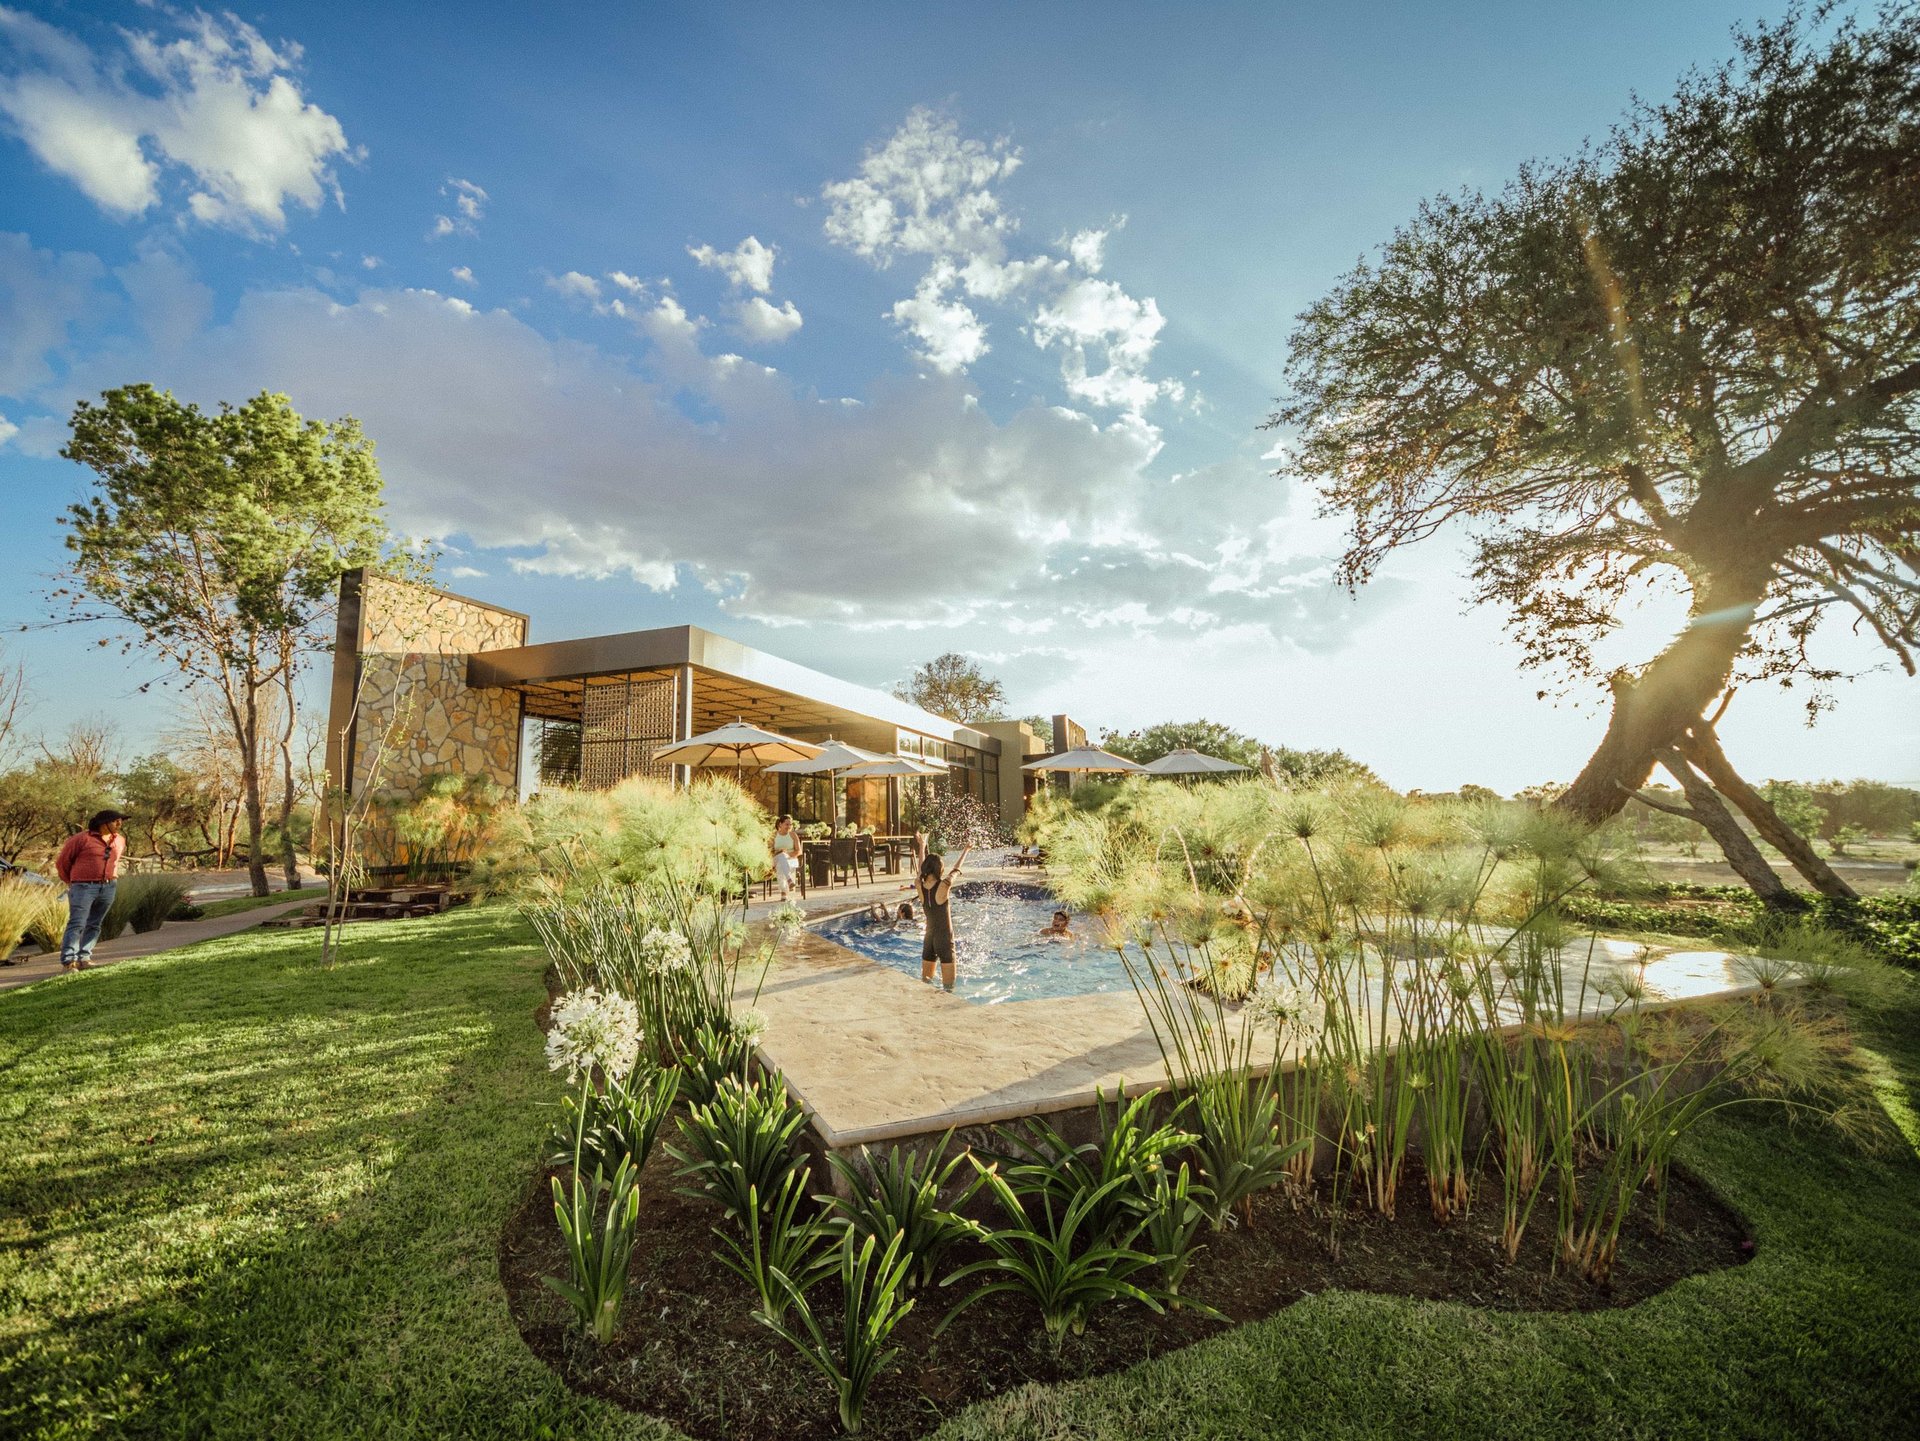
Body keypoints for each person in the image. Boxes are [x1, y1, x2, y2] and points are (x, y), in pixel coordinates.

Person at [55, 809, 127, 973]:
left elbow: (115, 861)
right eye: (115, 821)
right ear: (104, 823)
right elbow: (62, 863)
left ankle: (84, 958)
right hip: (83, 887)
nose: (119, 824)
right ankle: (69, 961)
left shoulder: (120, 840)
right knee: (77, 923)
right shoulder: (81, 839)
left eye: (121, 821)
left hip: (108, 886)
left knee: (95, 924)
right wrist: (73, 882)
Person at [913, 847, 968, 991]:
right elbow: (956, 869)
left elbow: (919, 870)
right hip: (944, 940)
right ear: (940, 869)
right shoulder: (944, 885)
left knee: (926, 984)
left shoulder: (919, 884)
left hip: (929, 939)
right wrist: (966, 849)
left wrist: (921, 844)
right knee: (949, 988)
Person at [770, 815, 800, 899]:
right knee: (781, 857)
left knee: (781, 864)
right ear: (780, 824)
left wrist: (786, 854)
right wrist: (779, 852)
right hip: (776, 858)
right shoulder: (774, 835)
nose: (789, 826)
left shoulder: (793, 835)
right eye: (787, 824)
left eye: (790, 824)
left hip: (791, 859)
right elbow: (769, 851)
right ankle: (789, 880)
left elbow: (799, 851)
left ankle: (783, 892)